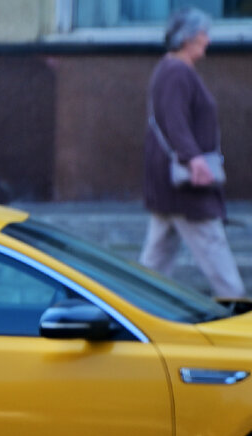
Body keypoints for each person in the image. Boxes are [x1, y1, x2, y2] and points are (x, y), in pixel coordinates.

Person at [138, 7, 245, 300]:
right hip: (185, 183)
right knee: (213, 249)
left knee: (155, 262)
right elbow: (175, 121)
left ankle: (139, 305)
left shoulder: (171, 68)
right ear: (187, 38)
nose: (208, 40)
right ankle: (240, 318)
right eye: (203, 34)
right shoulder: (177, 72)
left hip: (170, 182)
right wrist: (194, 159)